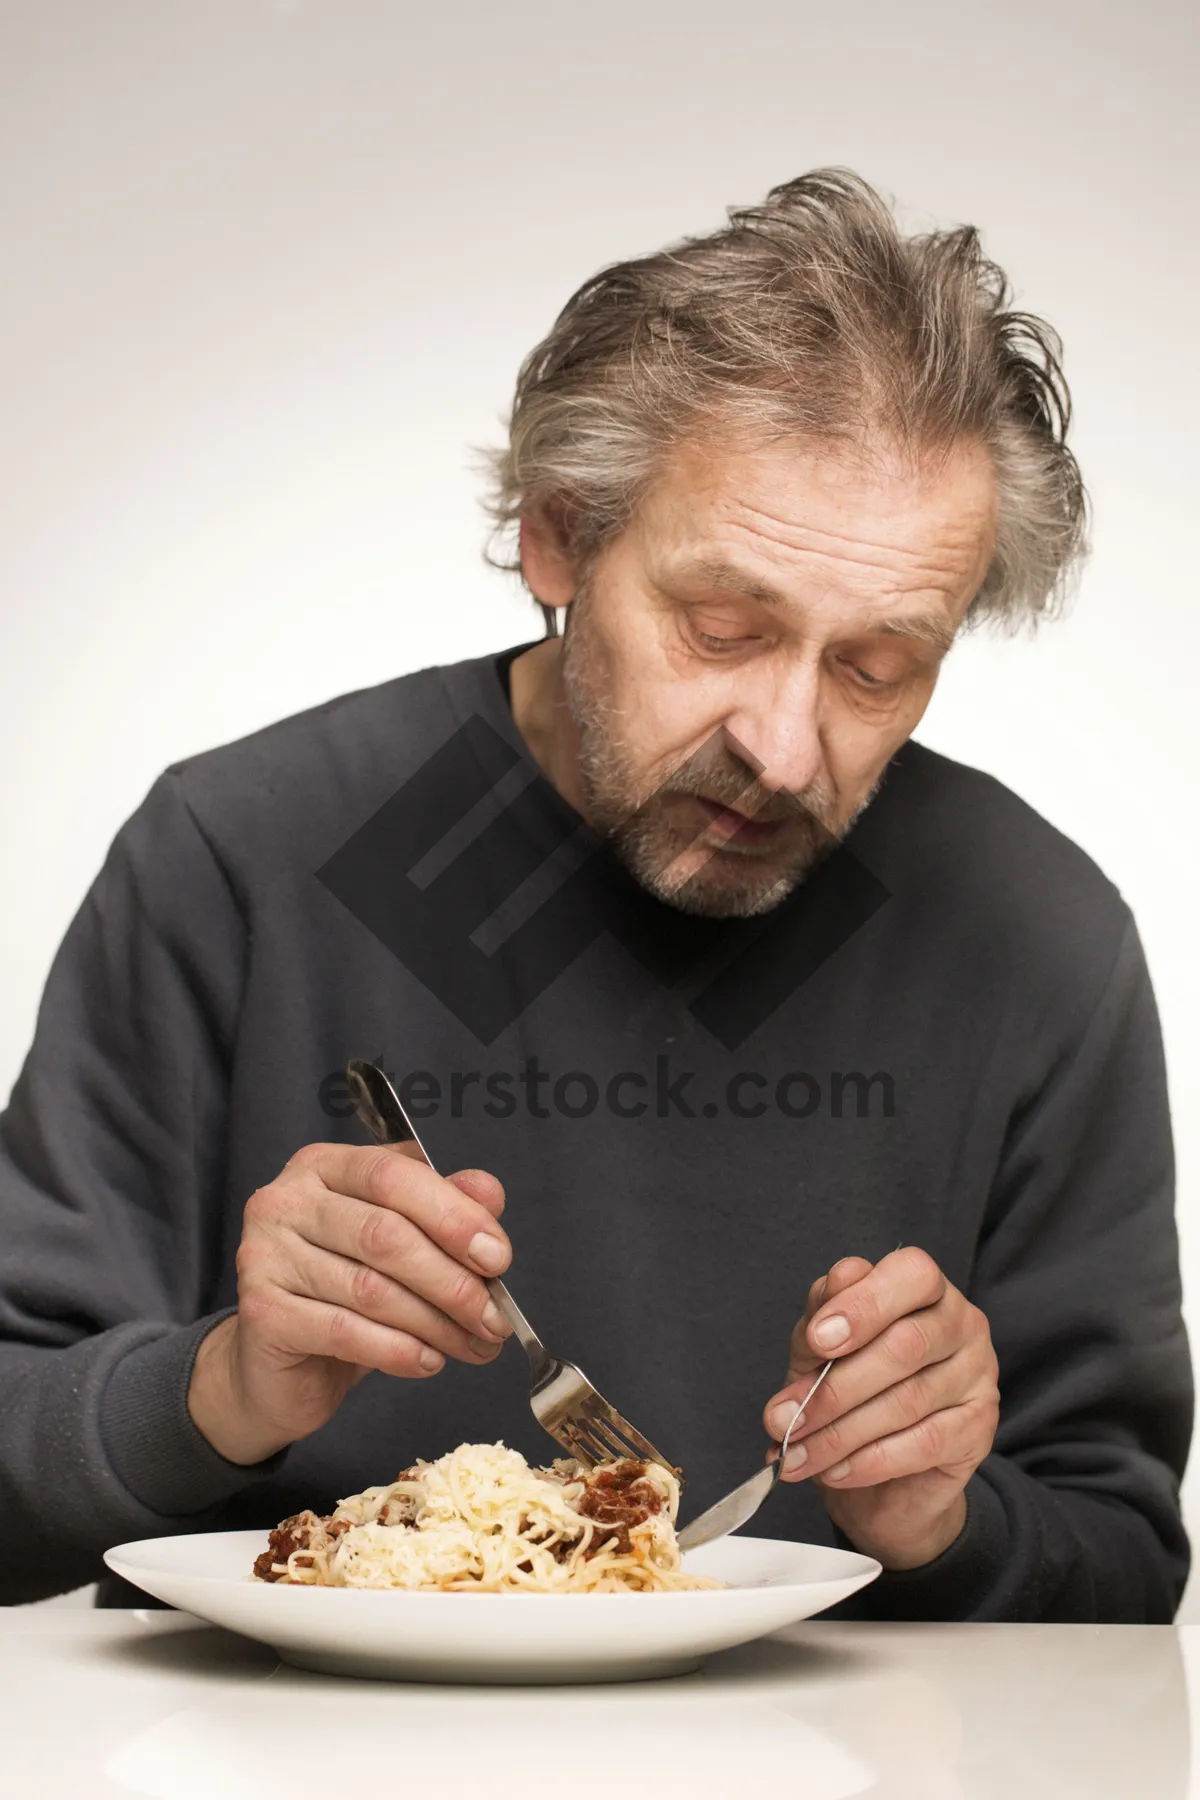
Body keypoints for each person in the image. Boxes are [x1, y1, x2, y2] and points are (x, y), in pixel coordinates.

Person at [0, 170, 1190, 1617]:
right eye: (721, 627)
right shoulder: (242, 853)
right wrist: (222, 1389)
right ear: (561, 537)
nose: (784, 746)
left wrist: (942, 1519)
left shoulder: (1036, 937)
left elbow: (1121, 1569)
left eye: (879, 666)